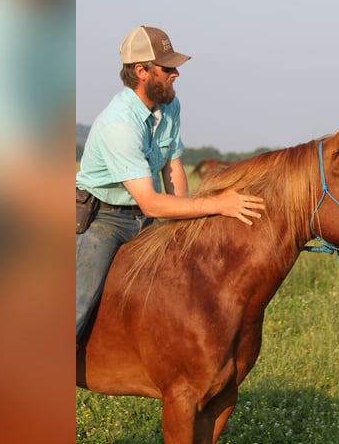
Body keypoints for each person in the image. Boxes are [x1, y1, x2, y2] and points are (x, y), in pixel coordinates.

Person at [76, 25, 265, 342]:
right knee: (78, 305)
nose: (176, 73)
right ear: (142, 71)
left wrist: (191, 225)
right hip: (103, 219)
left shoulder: (169, 105)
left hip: (146, 216)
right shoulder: (119, 124)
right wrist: (217, 204)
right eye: (167, 68)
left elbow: (172, 168)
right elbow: (151, 200)